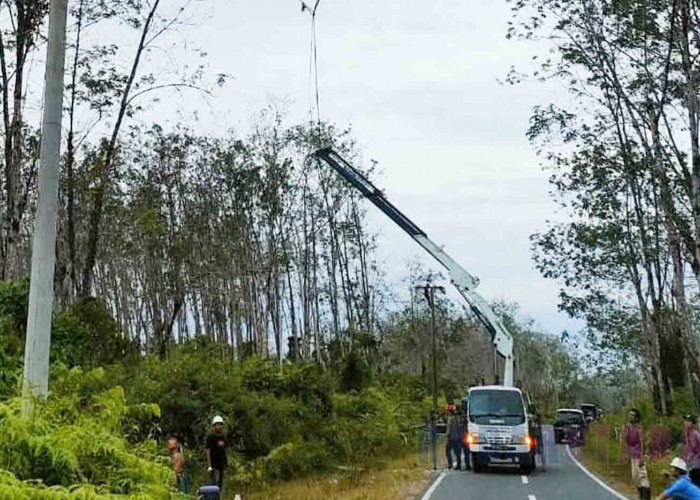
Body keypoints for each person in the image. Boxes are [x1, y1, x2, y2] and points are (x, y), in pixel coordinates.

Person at [622, 408, 651, 500]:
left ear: (636, 417)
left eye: (633, 415)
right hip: (632, 455)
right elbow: (625, 441)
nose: (631, 417)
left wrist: (642, 457)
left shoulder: (639, 428)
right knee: (635, 478)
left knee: (643, 478)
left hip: (639, 455)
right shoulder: (627, 427)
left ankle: (646, 497)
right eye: (630, 415)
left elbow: (642, 442)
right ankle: (641, 496)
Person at [206, 415, 228, 491]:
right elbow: (208, 451)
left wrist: (226, 464)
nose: (219, 426)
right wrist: (209, 466)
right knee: (215, 484)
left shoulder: (223, 437)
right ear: (214, 426)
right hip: (214, 465)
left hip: (221, 465)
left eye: (220, 424)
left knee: (221, 484)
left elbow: (224, 451)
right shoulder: (210, 437)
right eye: (217, 424)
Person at [684, 414, 700, 487]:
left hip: (697, 461)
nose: (686, 423)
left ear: (692, 423)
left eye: (688, 421)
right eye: (686, 421)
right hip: (690, 461)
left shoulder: (696, 434)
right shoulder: (687, 434)